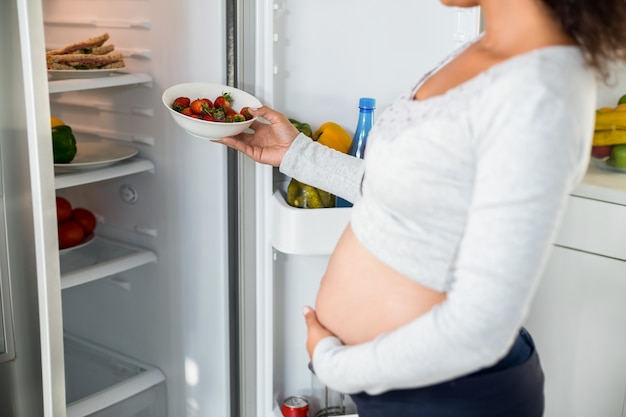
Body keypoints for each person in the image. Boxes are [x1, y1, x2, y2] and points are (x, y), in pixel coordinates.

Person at [217, 0, 626, 415]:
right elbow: (414, 191)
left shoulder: (542, 90)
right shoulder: (483, 50)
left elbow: (482, 327)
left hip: (448, 398)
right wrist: (297, 155)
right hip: (403, 387)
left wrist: (336, 366)